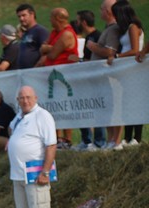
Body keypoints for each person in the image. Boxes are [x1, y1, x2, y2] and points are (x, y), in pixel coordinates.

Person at [7, 86, 57, 208]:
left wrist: (45, 172)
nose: (25, 101)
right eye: (21, 98)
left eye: (28, 97)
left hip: (35, 174)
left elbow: (51, 145)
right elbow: (11, 130)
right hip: (18, 174)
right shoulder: (19, 117)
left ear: (35, 98)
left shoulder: (43, 116)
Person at [39, 8, 78, 149]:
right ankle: (57, 137)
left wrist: (49, 48)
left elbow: (52, 54)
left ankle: (67, 139)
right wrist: (50, 47)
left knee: (64, 107)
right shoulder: (55, 32)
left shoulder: (67, 33)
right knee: (54, 108)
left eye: (51, 17)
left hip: (64, 76)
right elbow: (42, 48)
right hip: (52, 75)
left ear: (57, 18)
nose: (49, 20)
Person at [110, 0, 144, 147]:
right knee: (127, 103)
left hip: (134, 70)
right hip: (127, 71)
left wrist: (117, 57)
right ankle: (128, 136)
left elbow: (135, 50)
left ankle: (136, 137)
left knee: (134, 103)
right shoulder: (126, 29)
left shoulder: (133, 27)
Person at [87, 0, 120, 150]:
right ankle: (110, 139)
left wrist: (93, 47)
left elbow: (109, 51)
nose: (99, 12)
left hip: (109, 76)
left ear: (108, 11)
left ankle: (115, 140)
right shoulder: (107, 28)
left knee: (112, 107)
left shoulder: (113, 29)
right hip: (101, 76)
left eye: (101, 9)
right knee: (105, 107)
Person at [72, 10, 107, 151]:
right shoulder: (89, 38)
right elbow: (88, 59)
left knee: (97, 108)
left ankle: (99, 141)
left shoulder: (98, 36)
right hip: (87, 79)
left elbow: (98, 58)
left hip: (98, 79)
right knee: (83, 107)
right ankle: (86, 140)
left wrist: (78, 60)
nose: (77, 24)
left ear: (84, 22)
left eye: (78, 21)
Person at [16, 3, 49, 69]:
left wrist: (35, 69)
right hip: (24, 73)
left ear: (32, 14)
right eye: (19, 16)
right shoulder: (25, 33)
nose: (21, 19)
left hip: (35, 73)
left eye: (24, 15)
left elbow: (46, 54)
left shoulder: (40, 31)